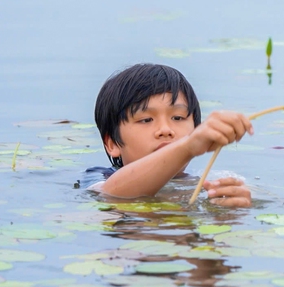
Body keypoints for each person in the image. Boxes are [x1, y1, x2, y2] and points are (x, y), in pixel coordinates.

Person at [84, 63, 254, 207]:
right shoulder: (100, 177)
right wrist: (187, 147)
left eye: (178, 118)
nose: (165, 130)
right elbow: (110, 193)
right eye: (146, 120)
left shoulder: (205, 183)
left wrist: (230, 210)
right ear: (112, 143)